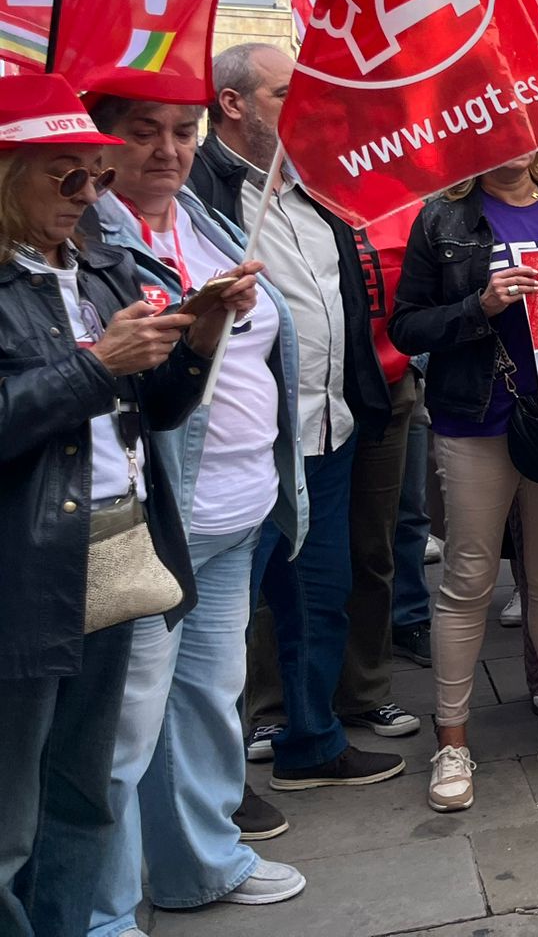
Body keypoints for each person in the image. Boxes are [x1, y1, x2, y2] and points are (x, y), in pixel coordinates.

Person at [0, 74, 251, 935]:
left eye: (93, 177)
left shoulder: (100, 268)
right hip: (27, 575)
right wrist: (95, 366)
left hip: (117, 554)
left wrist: (204, 330)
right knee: (9, 820)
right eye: (62, 175)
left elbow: (159, 412)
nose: (84, 195)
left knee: (83, 793)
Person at [86, 95, 310, 925]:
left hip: (234, 512)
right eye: (142, 134)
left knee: (207, 700)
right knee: (121, 733)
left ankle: (201, 863)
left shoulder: (199, 218)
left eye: (182, 134)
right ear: (99, 143)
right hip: (149, 530)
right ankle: (99, 911)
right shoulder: (89, 242)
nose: (167, 152)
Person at [388, 147, 538, 813]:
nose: (512, 142)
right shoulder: (443, 218)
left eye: (522, 129)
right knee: (469, 579)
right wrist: (480, 304)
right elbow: (407, 323)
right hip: (478, 419)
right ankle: (452, 739)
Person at [191, 43, 406, 791]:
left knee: (321, 594)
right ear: (233, 103)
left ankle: (313, 741)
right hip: (247, 448)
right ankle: (215, 793)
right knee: (221, 624)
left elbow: (342, 304)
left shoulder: (314, 192)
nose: (303, 108)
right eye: (285, 93)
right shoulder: (199, 197)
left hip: (332, 432)